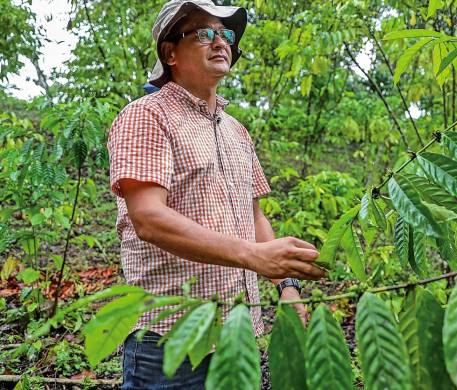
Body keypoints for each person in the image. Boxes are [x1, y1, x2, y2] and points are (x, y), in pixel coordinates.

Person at [107, 1, 326, 388]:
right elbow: (148, 219)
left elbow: (254, 216)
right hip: (169, 337)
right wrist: (255, 257)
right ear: (170, 52)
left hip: (237, 331)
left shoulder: (236, 130)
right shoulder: (146, 116)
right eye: (204, 33)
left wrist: (287, 286)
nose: (220, 41)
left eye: (225, 34)